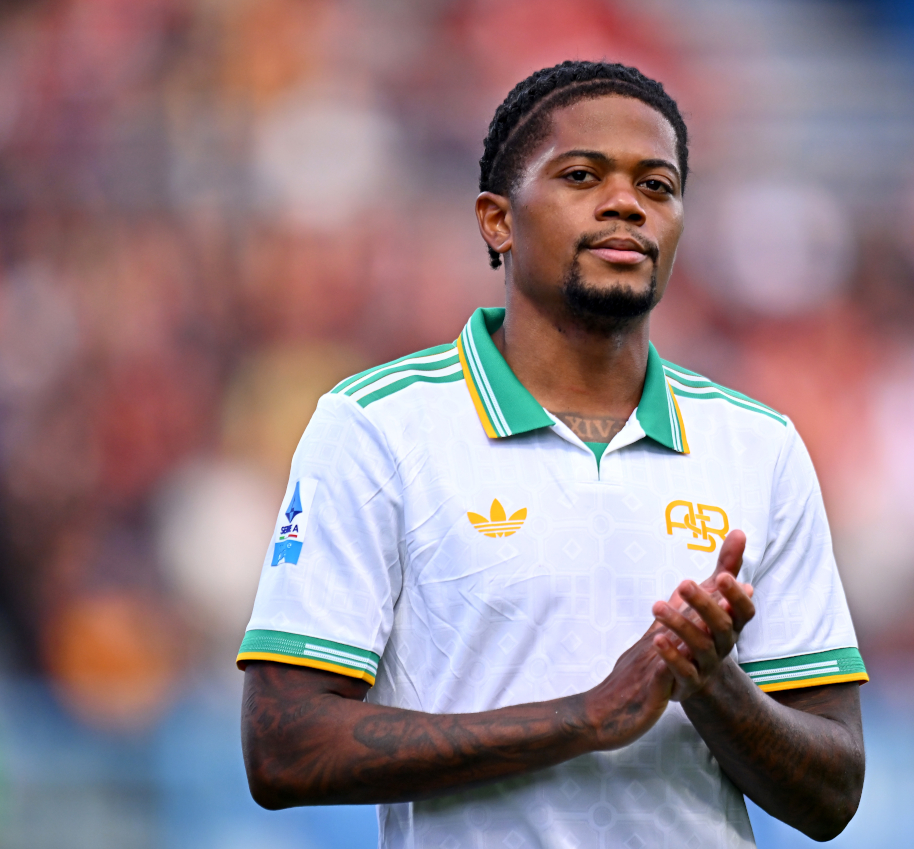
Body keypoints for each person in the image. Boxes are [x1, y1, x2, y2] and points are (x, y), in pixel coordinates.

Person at [238, 60, 867, 848]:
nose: (626, 204)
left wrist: (715, 684)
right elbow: (282, 748)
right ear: (497, 221)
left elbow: (834, 792)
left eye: (658, 186)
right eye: (581, 175)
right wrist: (587, 716)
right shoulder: (375, 426)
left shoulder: (760, 444)